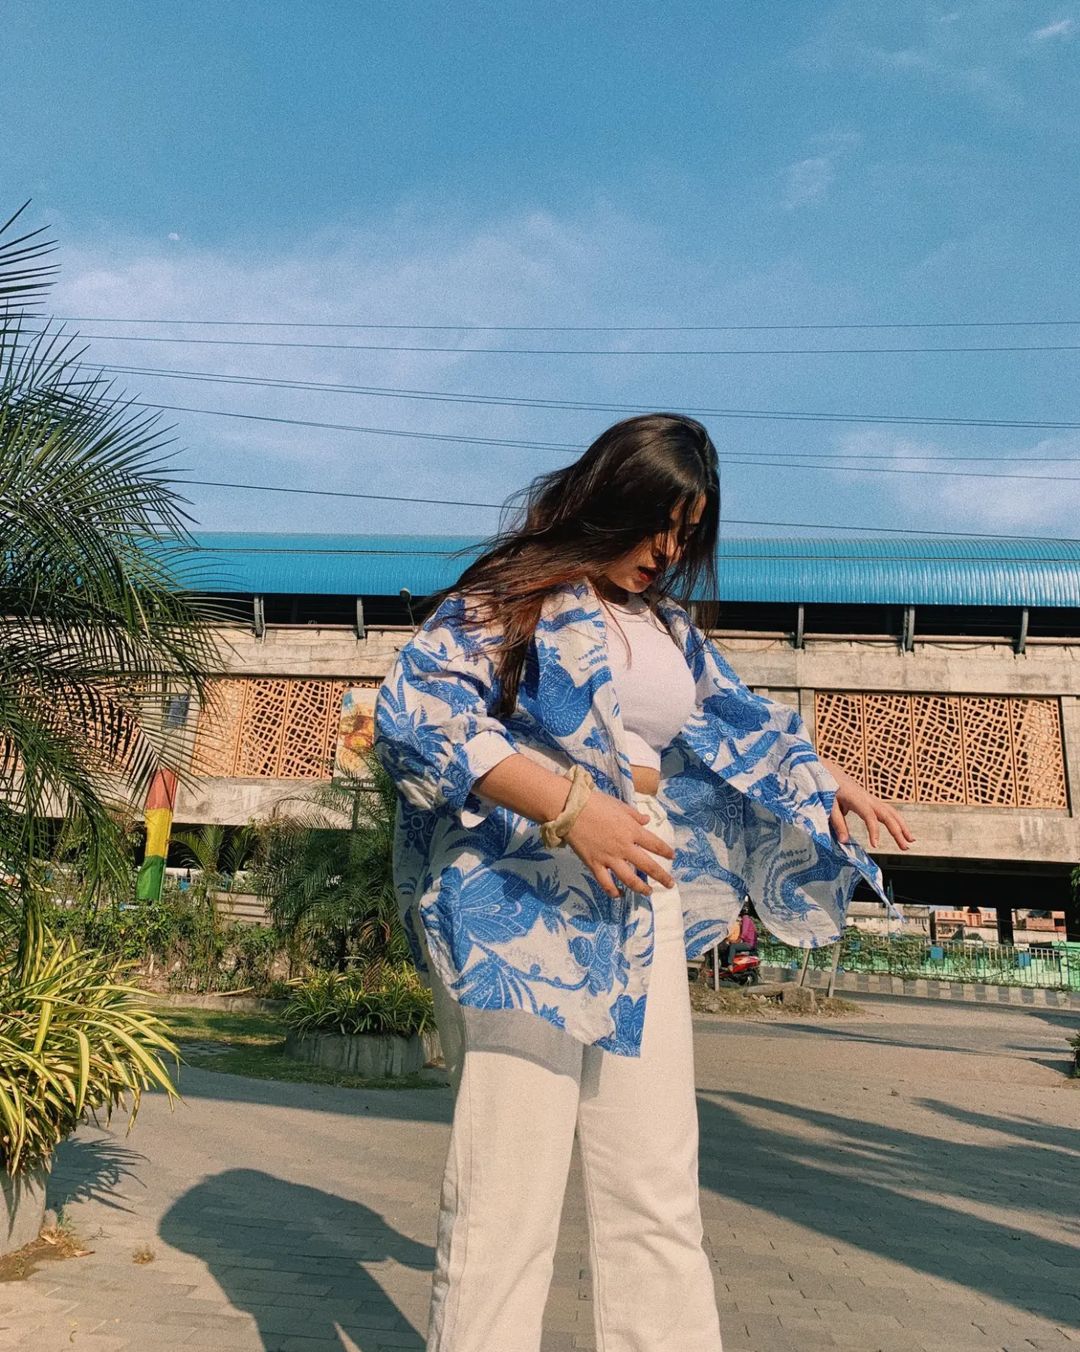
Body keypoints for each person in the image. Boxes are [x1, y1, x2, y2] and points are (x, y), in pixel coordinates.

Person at [374, 413, 914, 1352]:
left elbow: (739, 720)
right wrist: (569, 808)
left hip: (641, 880)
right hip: (525, 892)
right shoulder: (517, 597)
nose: (666, 551)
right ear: (607, 500)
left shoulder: (668, 628)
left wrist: (829, 783)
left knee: (654, 1172)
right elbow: (413, 711)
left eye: (686, 532)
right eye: (656, 523)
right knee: (509, 1182)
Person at [720, 903, 758, 968]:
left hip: (749, 944)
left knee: (733, 946)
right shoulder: (747, 919)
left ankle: (730, 965)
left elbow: (744, 933)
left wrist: (737, 941)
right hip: (750, 943)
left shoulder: (745, 919)